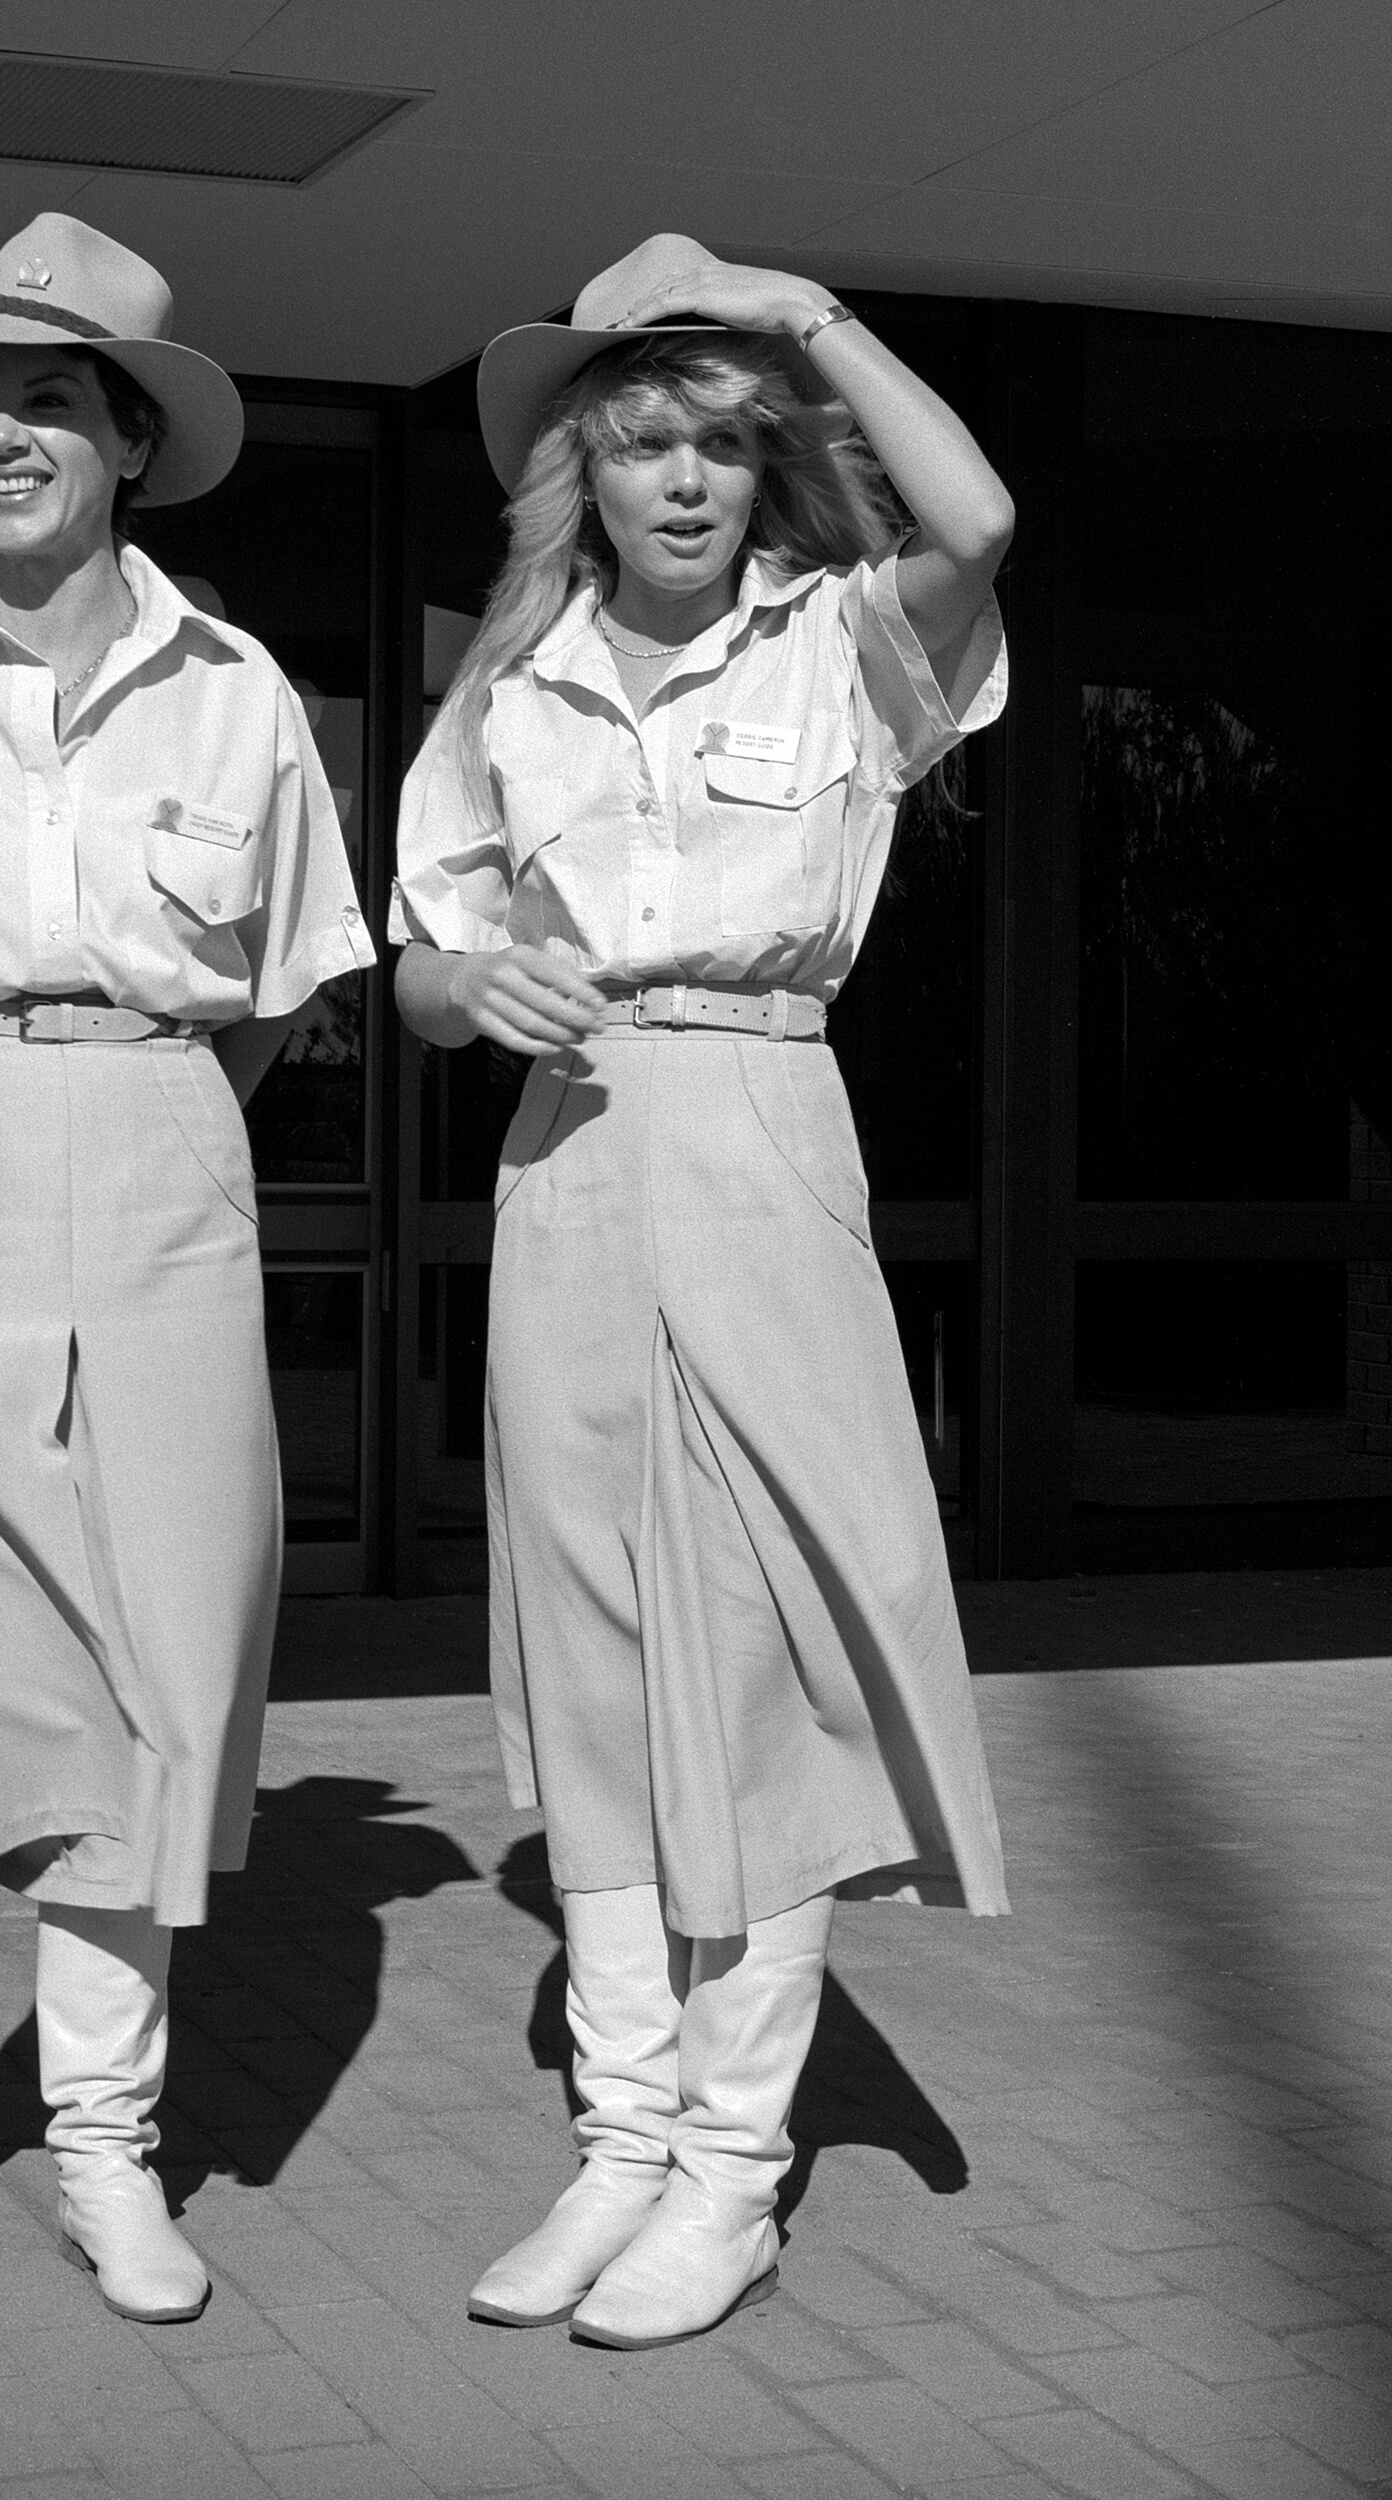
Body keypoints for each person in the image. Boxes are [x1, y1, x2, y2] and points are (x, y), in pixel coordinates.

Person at [392, 234, 1014, 2350]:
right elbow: (417, 949)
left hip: (758, 1133)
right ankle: (623, 2136)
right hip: (564, 1157)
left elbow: (981, 515)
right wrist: (463, 987)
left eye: (721, 444)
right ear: (585, 460)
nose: (681, 479)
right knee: (586, 1655)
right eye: (645, 438)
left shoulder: (848, 649)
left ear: (765, 470)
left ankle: (732, 2176)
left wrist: (808, 315)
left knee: (759, 1660)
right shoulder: (504, 688)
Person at [0, 214, 372, 2340]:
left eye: (41, 397)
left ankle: (106, 2156)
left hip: (156, 1156)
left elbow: (285, 988)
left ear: (129, 435)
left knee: (151, 1688)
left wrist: (127, 1103)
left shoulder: (242, 699)